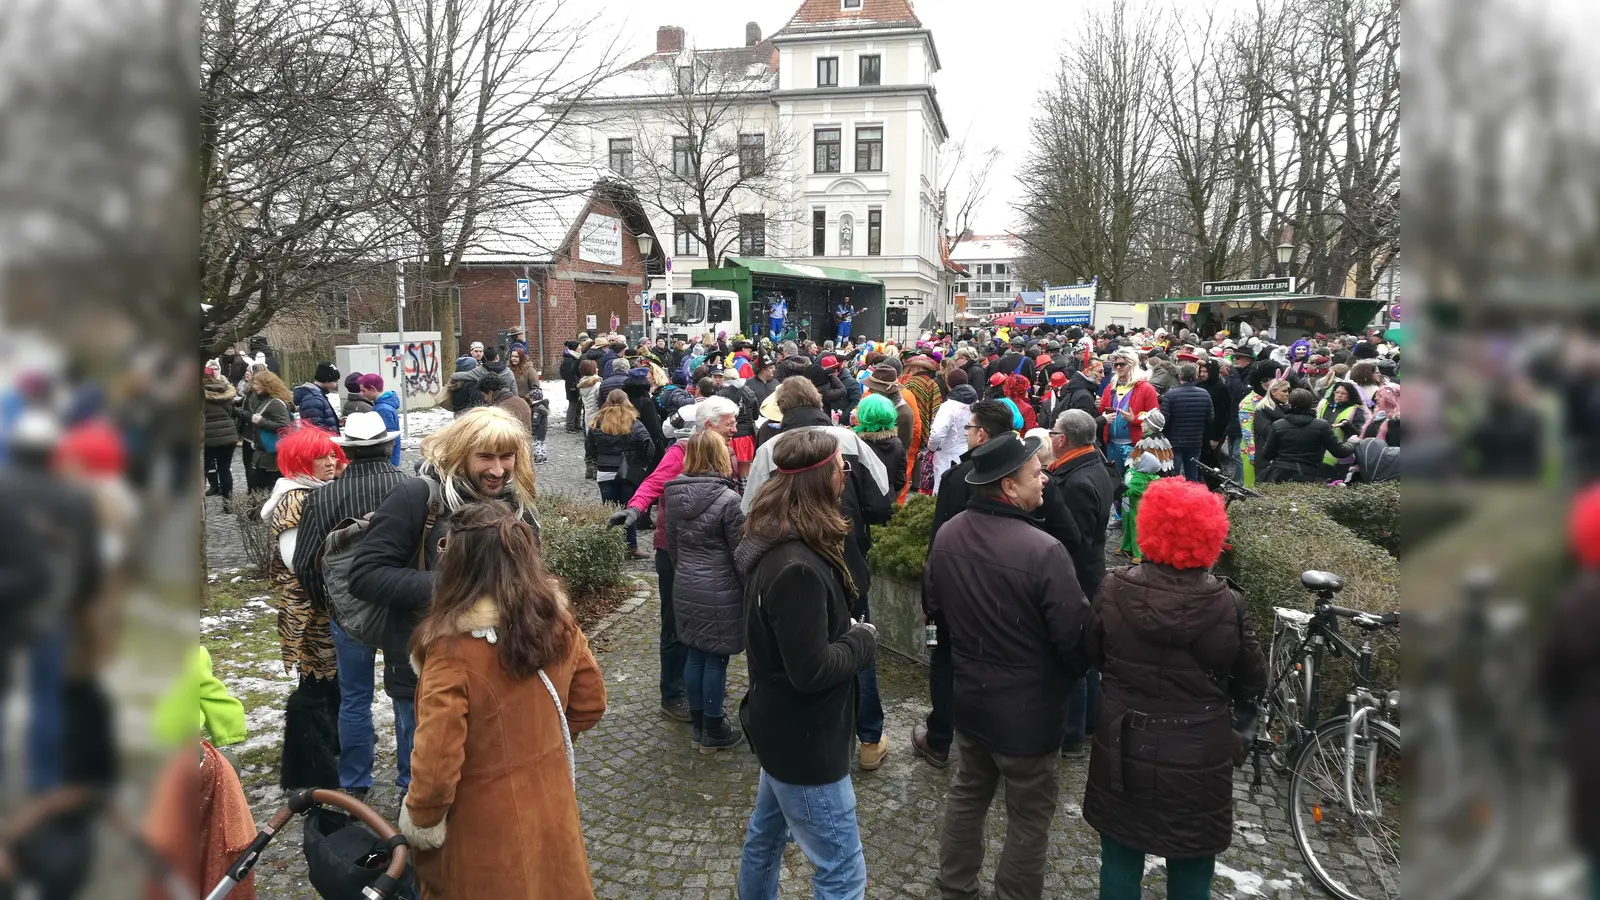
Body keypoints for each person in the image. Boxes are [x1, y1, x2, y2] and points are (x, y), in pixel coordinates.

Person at [397, 499, 604, 900]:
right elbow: (590, 703)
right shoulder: (558, 623)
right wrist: (541, 746)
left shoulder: (451, 651)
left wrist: (422, 821)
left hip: (481, 828)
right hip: (551, 808)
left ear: (458, 564)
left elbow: (437, 763)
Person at [924, 432, 1091, 900]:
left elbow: (934, 603)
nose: (1044, 481)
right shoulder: (1043, 550)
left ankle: (955, 887)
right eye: (1036, 474)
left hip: (972, 699)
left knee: (967, 794)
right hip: (1029, 714)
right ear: (1008, 487)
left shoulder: (950, 531)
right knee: (1029, 816)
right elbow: (1075, 640)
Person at [1085, 478, 1266, 900]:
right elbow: (1253, 678)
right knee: (1191, 859)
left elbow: (1092, 653)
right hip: (1199, 749)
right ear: (1210, 536)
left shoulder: (1114, 587)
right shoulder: (1227, 603)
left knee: (1120, 857)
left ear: (1150, 528)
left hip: (1124, 743)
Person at [348, 407, 541, 797]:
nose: (498, 469)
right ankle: (417, 849)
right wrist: (460, 591)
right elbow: (365, 576)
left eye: (507, 457)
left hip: (499, 665)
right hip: (423, 667)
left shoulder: (517, 503)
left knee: (482, 779)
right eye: (485, 456)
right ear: (459, 454)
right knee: (425, 777)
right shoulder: (418, 495)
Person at [735, 431, 878, 900]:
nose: (846, 476)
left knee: (766, 839)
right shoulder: (795, 566)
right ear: (823, 480)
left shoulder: (775, 537)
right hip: (805, 741)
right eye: (843, 467)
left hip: (779, 728)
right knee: (842, 871)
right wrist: (861, 640)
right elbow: (811, 670)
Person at [742, 377, 894, 771]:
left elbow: (750, 513)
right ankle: (870, 739)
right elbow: (881, 504)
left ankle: (823, 737)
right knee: (857, 641)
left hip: (790, 563)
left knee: (803, 648)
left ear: (784, 409)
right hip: (849, 564)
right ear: (818, 401)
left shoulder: (768, 450)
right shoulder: (852, 441)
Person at [290, 411, 409, 802]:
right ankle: (411, 778)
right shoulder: (413, 487)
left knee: (354, 698)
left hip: (348, 615)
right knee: (407, 697)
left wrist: (332, 606)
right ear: (389, 445)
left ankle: (356, 783)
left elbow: (306, 564)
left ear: (349, 452)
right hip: (403, 610)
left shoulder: (322, 496)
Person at [610, 396, 739, 724]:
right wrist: (636, 508)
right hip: (674, 552)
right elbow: (653, 483)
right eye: (729, 423)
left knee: (708, 623)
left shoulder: (727, 451)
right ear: (709, 425)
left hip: (711, 554)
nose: (735, 428)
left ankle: (699, 683)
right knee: (675, 625)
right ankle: (673, 693)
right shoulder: (680, 452)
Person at [911, 400, 1017, 768]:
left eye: (970, 429)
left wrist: (930, 601)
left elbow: (939, 545)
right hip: (1006, 593)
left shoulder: (960, 478)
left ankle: (940, 739)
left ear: (982, 434)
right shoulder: (1026, 468)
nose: (967, 433)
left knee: (943, 660)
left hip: (957, 596)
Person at [258, 426, 347, 789]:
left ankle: (325, 751)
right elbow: (299, 560)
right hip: (310, 609)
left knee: (328, 681)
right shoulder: (296, 498)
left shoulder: (313, 492)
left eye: (331, 455)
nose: (330, 462)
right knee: (316, 683)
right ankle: (308, 761)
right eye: (320, 456)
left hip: (322, 603)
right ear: (299, 461)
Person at [663, 431, 747, 753]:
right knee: (716, 659)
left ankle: (698, 725)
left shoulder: (673, 496)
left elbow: (672, 546)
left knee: (695, 653)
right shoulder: (729, 501)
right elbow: (740, 554)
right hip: (719, 588)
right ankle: (714, 727)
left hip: (685, 583)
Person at [1042, 409, 1115, 758]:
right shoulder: (1089, 466)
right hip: (1087, 573)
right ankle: (1086, 724)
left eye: (1053, 431)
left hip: (1078, 578)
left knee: (1076, 659)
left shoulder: (1076, 482)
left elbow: (1075, 541)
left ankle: (1072, 736)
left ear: (1062, 439)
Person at [586, 390, 653, 559]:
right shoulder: (633, 422)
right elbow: (648, 445)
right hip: (627, 473)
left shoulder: (597, 421)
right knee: (628, 509)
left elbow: (590, 447)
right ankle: (631, 547)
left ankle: (610, 548)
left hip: (604, 471)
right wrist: (641, 462)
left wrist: (599, 459)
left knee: (609, 510)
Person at [1256, 388, 1353, 483]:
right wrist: (1352, 442)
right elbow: (1340, 452)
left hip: (1278, 476)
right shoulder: (1321, 425)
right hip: (1309, 476)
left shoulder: (1278, 425)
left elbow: (1267, 454)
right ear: (1310, 404)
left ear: (1290, 403)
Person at [1099, 348, 1160, 493]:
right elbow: (1104, 409)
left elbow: (1155, 417)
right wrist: (1099, 406)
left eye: (1122, 364)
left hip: (1134, 445)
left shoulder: (1146, 388)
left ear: (1132, 365)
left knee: (1132, 484)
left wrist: (1135, 419)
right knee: (1115, 482)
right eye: (1115, 365)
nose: (1118, 367)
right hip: (1112, 444)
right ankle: (1119, 513)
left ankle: (1129, 513)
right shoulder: (1110, 388)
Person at [1119, 410, 1174, 560]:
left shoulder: (1147, 444)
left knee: (1138, 519)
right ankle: (1127, 545)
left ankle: (1139, 550)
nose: (1141, 424)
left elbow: (1147, 468)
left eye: (1145, 422)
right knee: (1127, 516)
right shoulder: (1163, 442)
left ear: (1151, 425)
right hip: (1133, 486)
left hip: (1138, 490)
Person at [237, 369, 294, 494]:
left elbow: (284, 424)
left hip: (272, 456)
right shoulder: (263, 400)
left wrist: (261, 421)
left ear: (267, 385)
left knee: (267, 490)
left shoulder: (274, 403)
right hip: (263, 454)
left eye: (257, 384)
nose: (254, 387)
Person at [1159, 362, 1214, 482]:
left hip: (1174, 441)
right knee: (1192, 476)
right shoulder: (1204, 394)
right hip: (1195, 440)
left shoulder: (1171, 395)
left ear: (1180, 376)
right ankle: (1192, 499)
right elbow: (1210, 419)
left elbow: (1163, 420)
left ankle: (1174, 499)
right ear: (1195, 377)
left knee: (1174, 475)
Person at [926, 378, 978, 493]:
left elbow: (937, 434)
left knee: (942, 489)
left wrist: (931, 448)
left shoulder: (948, 407)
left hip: (946, 455)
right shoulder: (976, 407)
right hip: (967, 453)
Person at [852, 393, 908, 499]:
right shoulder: (898, 443)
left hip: (864, 500)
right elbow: (900, 479)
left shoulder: (857, 444)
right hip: (888, 497)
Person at [203, 363, 240, 507]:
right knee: (225, 468)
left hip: (209, 436)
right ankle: (228, 503)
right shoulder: (227, 392)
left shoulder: (200, 394)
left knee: (203, 469)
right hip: (229, 435)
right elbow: (232, 412)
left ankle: (200, 505)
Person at [357, 374, 403, 468]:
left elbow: (386, 439)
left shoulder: (383, 409)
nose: (361, 394)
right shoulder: (381, 406)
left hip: (386, 461)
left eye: (363, 390)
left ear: (373, 389)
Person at [294, 363, 342, 433]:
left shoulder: (318, 396)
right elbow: (315, 427)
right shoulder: (313, 399)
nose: (336, 384)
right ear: (327, 380)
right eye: (334, 381)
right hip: (323, 441)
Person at [560, 339, 584, 433]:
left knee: (578, 405)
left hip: (576, 384)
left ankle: (576, 424)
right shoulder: (569, 360)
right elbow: (567, 374)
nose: (580, 347)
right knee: (573, 405)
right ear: (575, 348)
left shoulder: (574, 358)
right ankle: (570, 426)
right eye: (579, 346)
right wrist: (573, 383)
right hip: (572, 386)